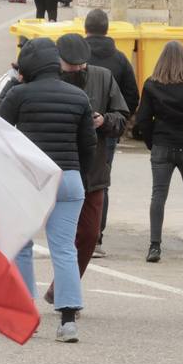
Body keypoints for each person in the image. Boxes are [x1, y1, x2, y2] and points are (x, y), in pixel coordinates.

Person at [0, 38, 95, 343]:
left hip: (31, 178)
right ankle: (67, 320)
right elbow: (88, 145)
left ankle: (27, 312)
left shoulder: (19, 94)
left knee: (23, 243)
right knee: (64, 248)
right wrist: (81, 178)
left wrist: (14, 79)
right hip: (68, 176)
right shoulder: (78, 97)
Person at [51, 35, 129, 292]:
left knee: (88, 235)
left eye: (80, 65)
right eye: (70, 65)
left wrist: (104, 121)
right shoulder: (46, 77)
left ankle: (62, 287)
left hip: (93, 172)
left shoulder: (103, 77)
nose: (76, 69)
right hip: (51, 169)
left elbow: (122, 118)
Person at [136, 41, 183, 262]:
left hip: (162, 145)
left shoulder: (151, 85)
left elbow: (143, 120)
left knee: (158, 195)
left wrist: (152, 142)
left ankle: (155, 246)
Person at [83, 8, 139, 254]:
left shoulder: (74, 54)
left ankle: (75, 232)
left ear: (86, 28)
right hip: (107, 131)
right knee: (100, 183)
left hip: (75, 129)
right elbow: (132, 96)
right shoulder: (119, 59)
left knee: (73, 178)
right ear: (107, 30)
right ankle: (96, 236)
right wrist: (116, 119)